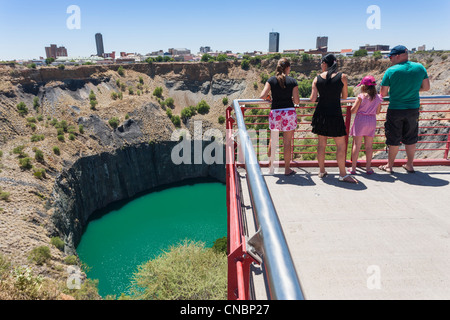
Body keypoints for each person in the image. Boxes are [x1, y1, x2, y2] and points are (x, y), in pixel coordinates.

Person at [379, 45, 430, 174]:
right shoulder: (420, 68)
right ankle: (409, 165)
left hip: (396, 109)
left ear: (397, 56)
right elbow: (426, 87)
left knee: (394, 139)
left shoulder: (391, 71)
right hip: (413, 109)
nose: (390, 60)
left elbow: (383, 93)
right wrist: (412, 89)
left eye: (391, 57)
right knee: (410, 138)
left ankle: (389, 166)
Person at [309, 53, 357, 183]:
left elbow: (313, 99)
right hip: (335, 113)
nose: (320, 65)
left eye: (321, 63)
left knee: (321, 144)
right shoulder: (343, 77)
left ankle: (322, 171)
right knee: (340, 145)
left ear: (325, 63)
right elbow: (345, 97)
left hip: (320, 114)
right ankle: (342, 174)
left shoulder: (316, 78)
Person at [260, 58, 300, 176]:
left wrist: (269, 98)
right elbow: (297, 101)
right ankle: (287, 169)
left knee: (273, 140)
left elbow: (262, 95)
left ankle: (271, 168)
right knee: (287, 143)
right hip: (289, 113)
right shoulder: (293, 81)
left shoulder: (271, 80)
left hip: (275, 113)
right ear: (288, 68)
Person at [349, 75, 383, 175]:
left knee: (357, 145)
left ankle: (353, 169)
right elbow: (377, 112)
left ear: (364, 86)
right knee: (369, 146)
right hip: (371, 120)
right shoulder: (378, 98)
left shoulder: (361, 96)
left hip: (361, 120)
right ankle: (368, 168)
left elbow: (353, 111)